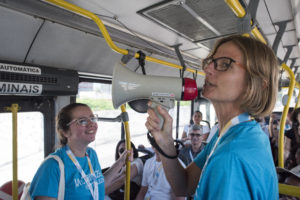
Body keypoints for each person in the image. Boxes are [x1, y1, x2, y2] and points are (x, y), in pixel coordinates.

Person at [145, 35, 279, 199]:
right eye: (211, 61)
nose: (207, 69)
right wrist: (165, 141)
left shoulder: (231, 157)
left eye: (224, 64)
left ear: (256, 84)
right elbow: (184, 185)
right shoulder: (229, 134)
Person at [29, 103, 132, 200]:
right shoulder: (52, 166)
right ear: (65, 132)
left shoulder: (91, 154)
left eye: (92, 118)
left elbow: (97, 184)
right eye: (82, 121)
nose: (91, 124)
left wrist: (121, 161)